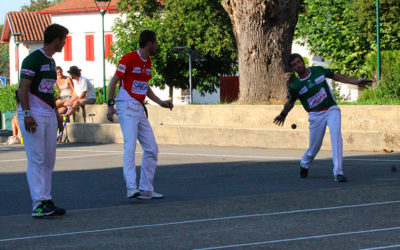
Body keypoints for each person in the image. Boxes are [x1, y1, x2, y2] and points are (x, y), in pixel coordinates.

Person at [274, 53, 372, 183]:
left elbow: (336, 76)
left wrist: (356, 82)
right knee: (315, 147)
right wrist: (283, 114)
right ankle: (304, 163)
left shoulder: (318, 71)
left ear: (303, 62)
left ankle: (338, 172)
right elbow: (290, 103)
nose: (298, 65)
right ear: (293, 69)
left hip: (332, 109)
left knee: (336, 136)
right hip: (315, 115)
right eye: (294, 65)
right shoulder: (296, 86)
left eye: (299, 62)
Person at [107, 30, 173, 200]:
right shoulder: (129, 58)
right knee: (130, 146)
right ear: (149, 43)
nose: (156, 46)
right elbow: (114, 81)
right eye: (155, 43)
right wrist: (110, 105)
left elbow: (145, 87)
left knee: (151, 148)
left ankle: (146, 189)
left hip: (138, 107)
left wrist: (160, 102)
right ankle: (131, 188)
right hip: (125, 106)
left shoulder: (148, 62)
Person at [17, 23, 69, 217]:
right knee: (37, 159)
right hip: (33, 115)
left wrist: (56, 113)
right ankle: (38, 204)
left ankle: (46, 199)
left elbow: (48, 91)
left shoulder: (52, 62)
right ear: (56, 40)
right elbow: (23, 88)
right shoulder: (33, 59)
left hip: (47, 114)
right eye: (64, 39)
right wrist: (28, 114)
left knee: (49, 160)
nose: (64, 43)